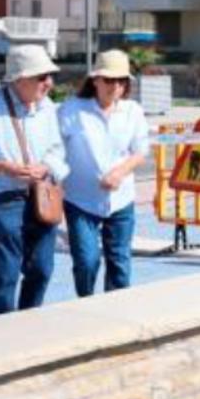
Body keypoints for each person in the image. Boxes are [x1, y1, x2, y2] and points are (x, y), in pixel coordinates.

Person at [0, 45, 70, 315]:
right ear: (19, 79)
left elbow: (59, 152)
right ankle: (2, 330)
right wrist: (0, 167)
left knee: (42, 269)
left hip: (42, 197)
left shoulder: (48, 109)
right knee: (5, 274)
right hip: (3, 201)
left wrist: (45, 167)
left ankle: (28, 323)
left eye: (50, 76)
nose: (49, 83)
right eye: (41, 77)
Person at [59, 50, 149, 297]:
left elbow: (141, 151)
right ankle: (86, 305)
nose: (116, 86)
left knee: (120, 263)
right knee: (87, 262)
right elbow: (54, 148)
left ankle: (116, 315)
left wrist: (120, 172)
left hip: (121, 201)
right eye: (109, 80)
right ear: (95, 80)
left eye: (122, 81)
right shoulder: (72, 110)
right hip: (81, 201)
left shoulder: (133, 111)